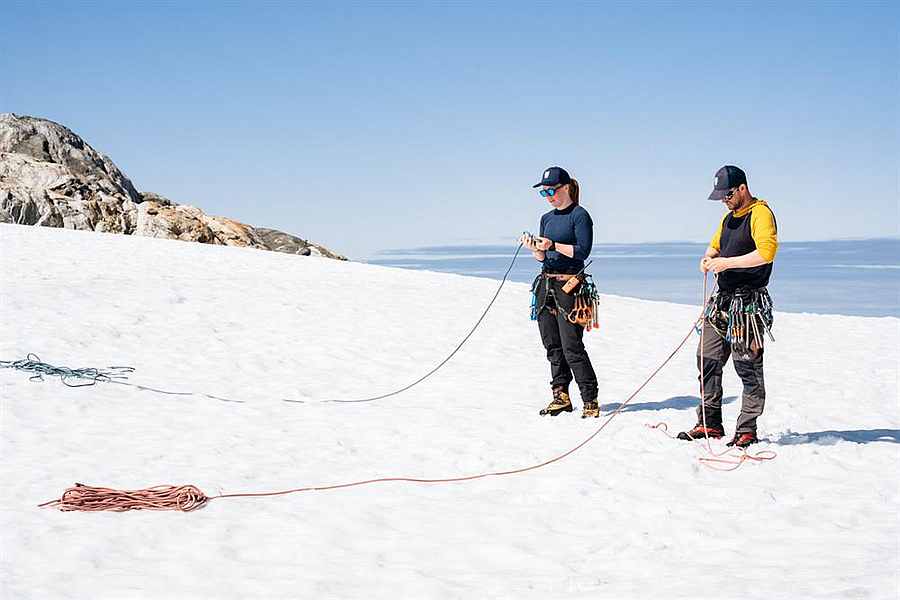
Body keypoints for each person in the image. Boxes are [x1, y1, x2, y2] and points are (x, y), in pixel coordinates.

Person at [678, 165, 779, 448]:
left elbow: (766, 252)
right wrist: (708, 258)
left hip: (747, 304)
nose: (724, 199)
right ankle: (710, 423)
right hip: (721, 302)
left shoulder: (760, 213)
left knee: (747, 366)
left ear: (742, 188)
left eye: (728, 194)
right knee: (706, 359)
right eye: (721, 195)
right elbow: (715, 247)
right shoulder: (727, 219)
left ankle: (747, 429)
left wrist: (727, 263)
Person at [520, 166, 600, 418]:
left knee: (571, 346)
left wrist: (554, 244)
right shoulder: (546, 218)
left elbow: (583, 251)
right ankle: (560, 396)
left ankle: (590, 400)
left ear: (566, 187)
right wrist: (535, 247)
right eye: (544, 192)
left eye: (552, 190)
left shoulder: (580, 215)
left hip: (571, 287)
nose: (549, 196)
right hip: (546, 284)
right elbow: (542, 255)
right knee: (552, 344)